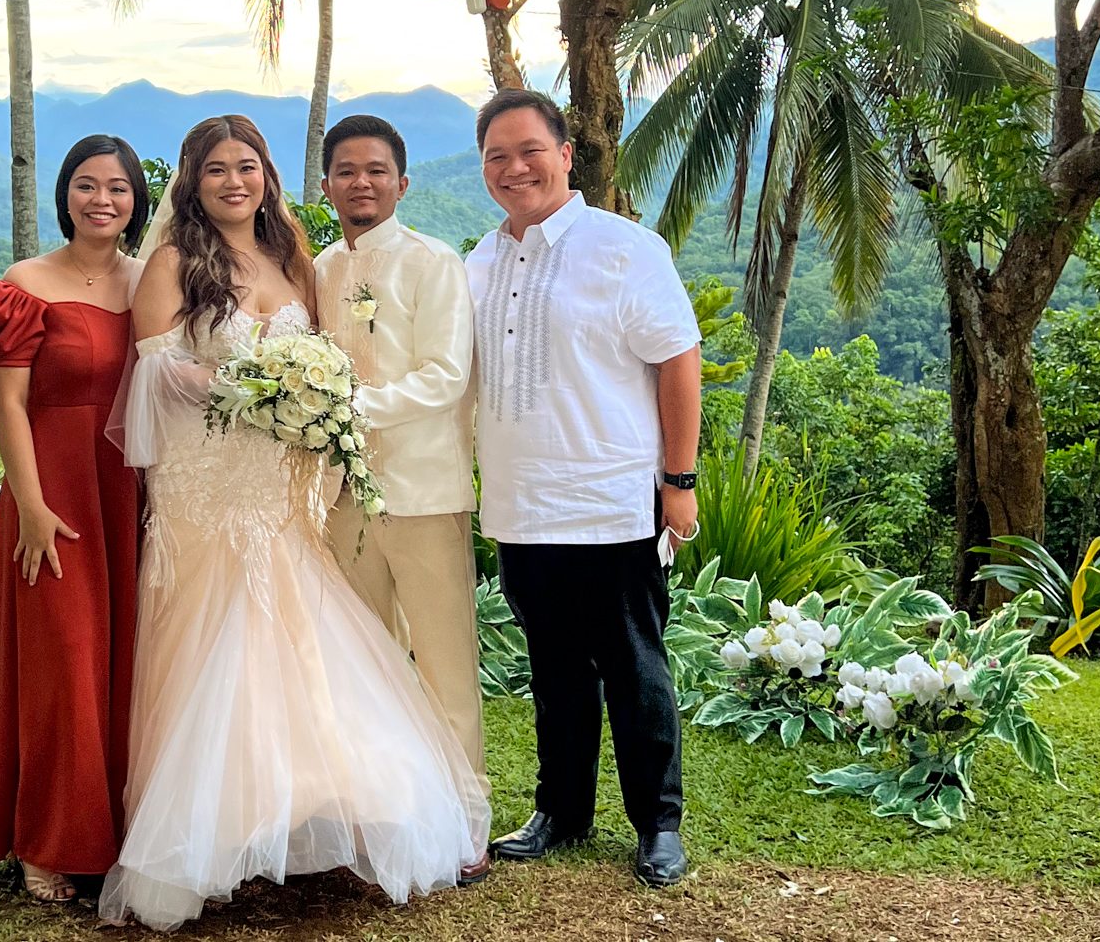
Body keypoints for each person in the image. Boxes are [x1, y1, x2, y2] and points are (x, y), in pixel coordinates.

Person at [100, 114, 490, 931]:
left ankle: (313, 810)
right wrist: (258, 392)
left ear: (268, 177)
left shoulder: (296, 259)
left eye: (247, 166)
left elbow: (332, 361)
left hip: (280, 483)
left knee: (299, 638)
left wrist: (300, 401)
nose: (233, 181)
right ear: (193, 182)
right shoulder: (172, 261)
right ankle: (206, 831)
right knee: (213, 637)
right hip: (207, 482)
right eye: (216, 169)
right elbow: (157, 372)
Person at [463, 90, 702, 888]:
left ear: (566, 156)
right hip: (522, 507)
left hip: (611, 504)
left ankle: (657, 824)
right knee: (555, 672)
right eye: (496, 156)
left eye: (530, 150)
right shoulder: (479, 262)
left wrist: (679, 482)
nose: (514, 168)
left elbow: (678, 358)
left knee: (635, 671)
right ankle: (561, 811)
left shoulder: (623, 247)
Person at [0, 135, 152, 903]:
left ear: (137, 200)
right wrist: (33, 507)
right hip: (52, 496)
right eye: (86, 184)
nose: (101, 199)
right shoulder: (24, 284)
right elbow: (8, 404)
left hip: (129, 494)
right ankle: (46, 841)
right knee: (64, 666)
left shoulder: (151, 283)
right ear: (65, 194)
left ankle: (115, 832)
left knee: (126, 666)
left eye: (117, 187)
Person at [313, 115, 488, 815]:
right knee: (364, 662)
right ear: (326, 185)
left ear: (402, 183)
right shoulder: (321, 269)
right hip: (341, 499)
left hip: (423, 493)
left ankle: (466, 811)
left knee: (446, 663)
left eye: (376, 171)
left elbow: (447, 375)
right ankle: (381, 812)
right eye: (347, 171)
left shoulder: (431, 262)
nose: (362, 182)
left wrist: (347, 409)